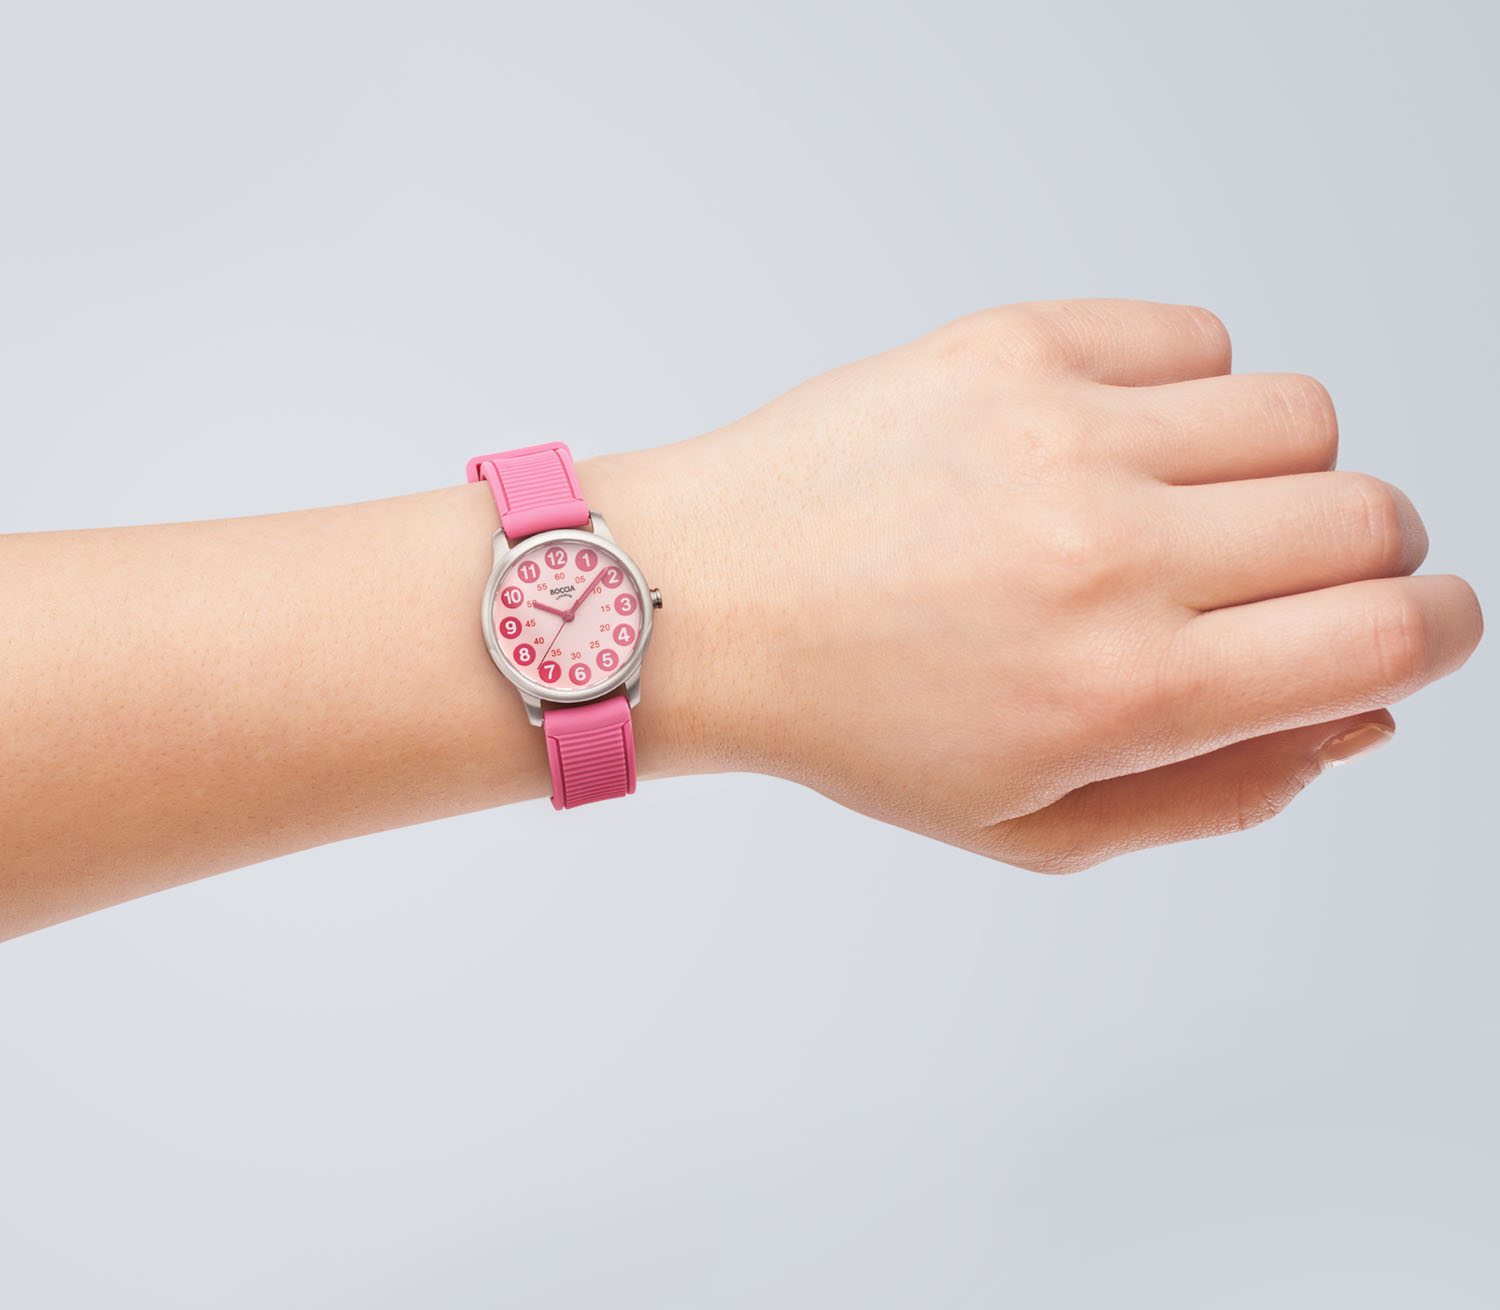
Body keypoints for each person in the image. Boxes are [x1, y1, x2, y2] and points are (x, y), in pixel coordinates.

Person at [0, 300, 1482, 941]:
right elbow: (562, 605)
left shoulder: (579, 592)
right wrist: (744, 607)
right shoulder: (577, 624)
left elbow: (568, 589)